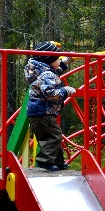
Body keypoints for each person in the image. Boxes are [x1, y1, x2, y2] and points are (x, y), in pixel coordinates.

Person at [25, 41, 75, 171]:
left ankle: (57, 162)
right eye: (58, 59)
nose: (59, 61)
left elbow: (55, 72)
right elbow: (50, 93)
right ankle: (45, 161)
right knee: (55, 136)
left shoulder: (40, 71)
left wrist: (65, 62)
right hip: (44, 113)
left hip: (37, 113)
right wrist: (65, 91)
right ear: (49, 60)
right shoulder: (46, 75)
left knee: (50, 137)